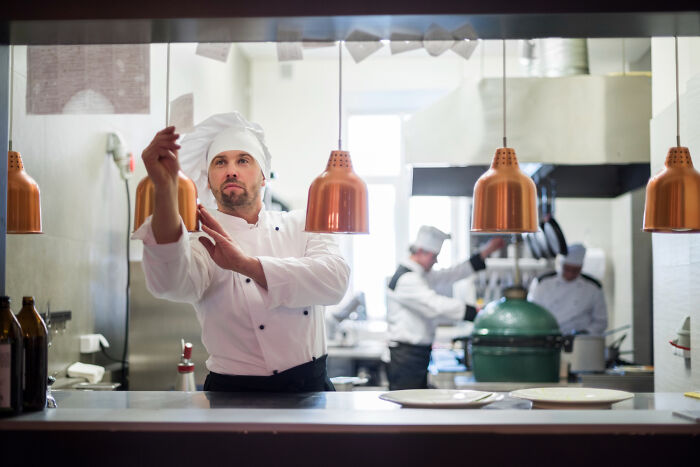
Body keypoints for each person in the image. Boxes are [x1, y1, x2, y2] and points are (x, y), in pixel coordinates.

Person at [132, 112, 350, 392]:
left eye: (243, 160)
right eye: (220, 162)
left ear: (263, 177)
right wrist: (165, 189)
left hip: (310, 391)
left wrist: (246, 265)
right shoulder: (201, 237)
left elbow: (335, 282)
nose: (231, 170)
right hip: (231, 395)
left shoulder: (303, 222)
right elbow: (169, 285)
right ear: (208, 180)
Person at [385, 226, 505, 390]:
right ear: (420, 251)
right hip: (406, 357)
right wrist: (475, 312)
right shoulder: (407, 279)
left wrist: (486, 252)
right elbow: (435, 305)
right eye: (434, 256)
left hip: (415, 354)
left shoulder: (421, 273)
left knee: (414, 406)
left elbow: (451, 274)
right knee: (408, 409)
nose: (436, 261)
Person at [527, 243, 607, 335]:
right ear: (562, 265)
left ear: (581, 268)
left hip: (578, 342)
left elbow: (601, 321)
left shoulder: (593, 288)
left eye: (575, 271)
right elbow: (532, 313)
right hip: (547, 336)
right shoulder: (542, 283)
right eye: (567, 269)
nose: (570, 274)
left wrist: (586, 332)